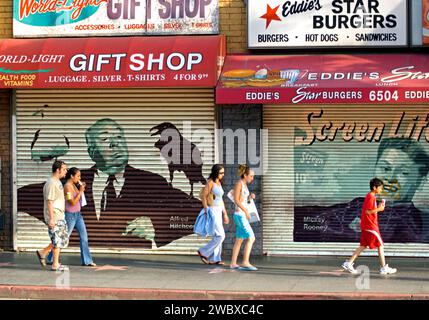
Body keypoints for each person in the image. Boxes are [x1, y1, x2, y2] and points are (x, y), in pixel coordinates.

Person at [18, 118, 203, 249]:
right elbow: (22, 195)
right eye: (106, 139)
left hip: (134, 260)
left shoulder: (152, 182)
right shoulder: (74, 180)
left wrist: (156, 227)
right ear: (91, 151)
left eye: (120, 138)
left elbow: (196, 210)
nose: (116, 145)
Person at [294, 137, 429, 243]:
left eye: (403, 172)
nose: (390, 177)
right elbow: (310, 219)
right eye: (385, 168)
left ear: (420, 182)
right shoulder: (356, 206)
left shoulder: (421, 223)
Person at [341, 178, 397, 275]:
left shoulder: (370, 196)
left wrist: (378, 207)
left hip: (367, 226)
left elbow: (369, 210)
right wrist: (379, 209)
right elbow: (368, 212)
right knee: (380, 245)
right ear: (375, 187)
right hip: (371, 226)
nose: (381, 190)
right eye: (380, 188)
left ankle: (348, 263)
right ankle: (384, 268)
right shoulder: (371, 197)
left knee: (363, 246)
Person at [36, 160, 69, 272]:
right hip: (54, 216)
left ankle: (43, 252)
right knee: (57, 240)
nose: (66, 171)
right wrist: (51, 219)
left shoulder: (58, 182)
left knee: (60, 239)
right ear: (57, 170)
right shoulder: (51, 183)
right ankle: (55, 264)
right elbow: (49, 201)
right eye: (64, 169)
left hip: (59, 215)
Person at [197, 164, 229, 265]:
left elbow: (221, 199)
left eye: (223, 173)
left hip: (219, 210)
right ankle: (203, 251)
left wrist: (225, 214)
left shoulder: (219, 183)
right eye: (221, 173)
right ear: (216, 172)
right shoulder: (210, 183)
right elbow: (203, 196)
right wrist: (206, 209)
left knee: (217, 235)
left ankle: (216, 259)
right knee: (221, 236)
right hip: (213, 210)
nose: (223, 175)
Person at [230, 164, 257, 271]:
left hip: (241, 215)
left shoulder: (244, 185)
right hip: (240, 215)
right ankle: (245, 262)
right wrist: (245, 211)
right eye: (251, 176)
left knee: (239, 240)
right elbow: (236, 200)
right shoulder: (239, 184)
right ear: (245, 175)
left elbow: (243, 200)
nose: (252, 178)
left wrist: (250, 197)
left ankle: (233, 263)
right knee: (251, 238)